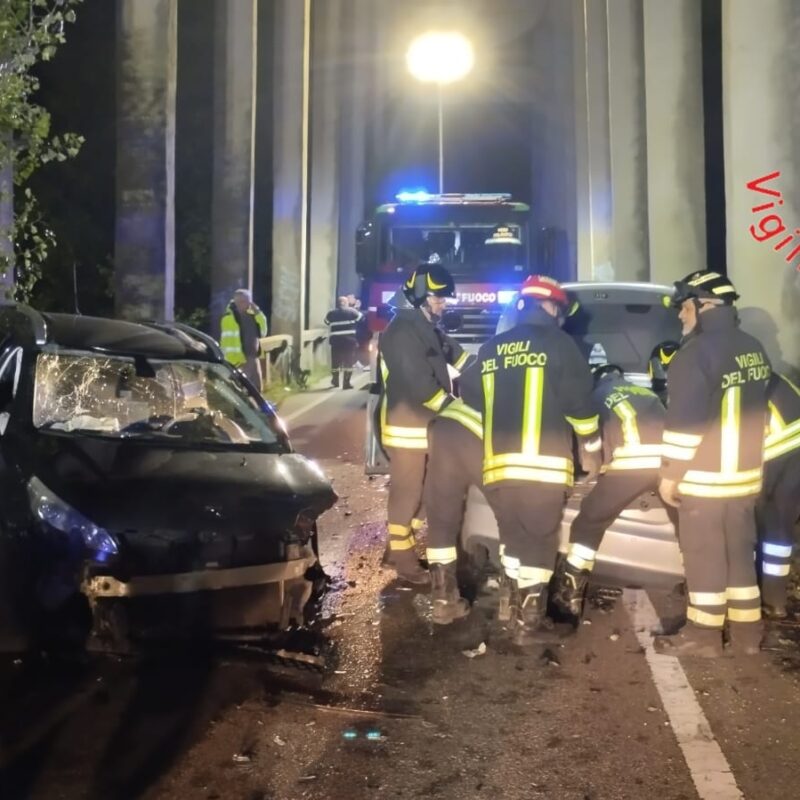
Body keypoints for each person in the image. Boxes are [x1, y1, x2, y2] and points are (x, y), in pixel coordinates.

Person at [459, 275, 601, 646]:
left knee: (513, 539)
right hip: (543, 466)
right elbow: (580, 405)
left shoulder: (492, 348)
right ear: (550, 306)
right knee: (539, 542)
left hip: (498, 468)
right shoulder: (559, 343)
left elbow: (471, 394)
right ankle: (531, 625)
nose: (560, 317)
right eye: (558, 310)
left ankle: (511, 606)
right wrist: (592, 445)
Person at [654, 271, 771, 658]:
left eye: (684, 308)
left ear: (704, 306)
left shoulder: (695, 355)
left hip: (705, 478)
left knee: (704, 554)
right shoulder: (753, 347)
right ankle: (747, 633)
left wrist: (670, 475)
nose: (680, 317)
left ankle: (703, 636)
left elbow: (685, 424)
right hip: (745, 475)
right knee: (739, 553)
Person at [551, 362, 668, 622]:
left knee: (588, 522)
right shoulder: (646, 393)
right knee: (686, 526)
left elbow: (590, 440)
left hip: (631, 463)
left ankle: (569, 596)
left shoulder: (594, 397)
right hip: (668, 461)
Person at [377, 263, 469, 584]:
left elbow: (458, 357)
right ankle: (404, 563)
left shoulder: (425, 326)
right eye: (437, 298)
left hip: (427, 428)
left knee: (429, 493)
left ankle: (398, 548)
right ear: (419, 296)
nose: (443, 304)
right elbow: (421, 387)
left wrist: (491, 370)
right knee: (407, 494)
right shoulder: (401, 332)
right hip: (407, 428)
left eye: (444, 299)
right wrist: (459, 411)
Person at [423, 392, 482, 624]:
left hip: (445, 426)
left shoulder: (490, 357)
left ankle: (443, 602)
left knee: (441, 519)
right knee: (509, 514)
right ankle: (512, 605)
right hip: (479, 433)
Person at [757, 371, 800, 619]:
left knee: (755, 519)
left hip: (778, 453)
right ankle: (775, 600)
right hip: (793, 451)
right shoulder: (774, 376)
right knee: (780, 526)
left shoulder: (736, 379)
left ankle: (760, 593)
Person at [220, 289, 268, 389]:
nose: (244, 304)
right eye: (241, 302)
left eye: (247, 302)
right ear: (235, 302)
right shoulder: (229, 318)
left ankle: (257, 404)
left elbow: (263, 331)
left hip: (252, 357)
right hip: (238, 360)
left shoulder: (252, 316)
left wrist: (258, 313)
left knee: (257, 388)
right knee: (243, 388)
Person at [324, 296, 362, 389]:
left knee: (335, 362)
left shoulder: (331, 313)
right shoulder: (352, 312)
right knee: (348, 362)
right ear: (347, 303)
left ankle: (335, 380)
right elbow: (361, 318)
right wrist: (355, 309)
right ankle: (346, 383)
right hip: (349, 341)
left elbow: (326, 322)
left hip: (336, 341)